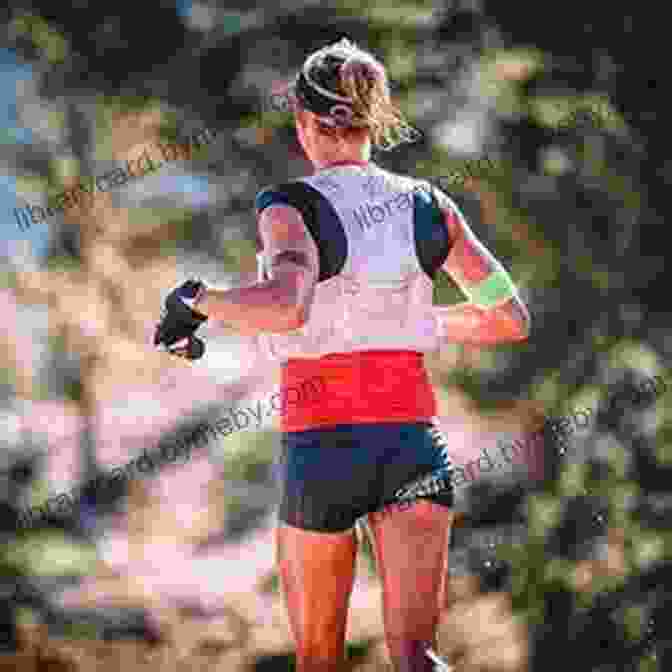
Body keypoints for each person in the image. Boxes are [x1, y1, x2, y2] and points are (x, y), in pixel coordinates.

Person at [154, 37, 530, 672]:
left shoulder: (289, 206)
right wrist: (410, 323)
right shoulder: (430, 205)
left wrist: (198, 298)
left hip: (322, 446)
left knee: (318, 658)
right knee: (418, 654)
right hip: (411, 441)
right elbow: (508, 318)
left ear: (304, 122)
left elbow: (286, 304)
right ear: (372, 121)